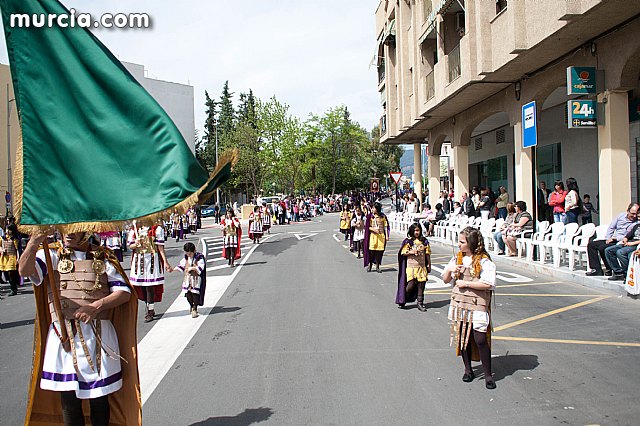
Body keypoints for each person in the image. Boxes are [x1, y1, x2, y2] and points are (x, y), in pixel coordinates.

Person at [19, 231, 140, 425]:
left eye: (74, 228)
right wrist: (34, 242)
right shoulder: (51, 255)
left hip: (97, 334)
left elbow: (124, 292)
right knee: (69, 400)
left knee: (99, 397)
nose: (68, 234)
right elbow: (24, 272)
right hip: (64, 336)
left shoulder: (103, 256)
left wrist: (96, 306)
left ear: (87, 230)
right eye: (65, 228)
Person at [443, 227, 497, 390]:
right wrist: (451, 270)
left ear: (471, 243)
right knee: (462, 338)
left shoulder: (483, 261)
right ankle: (468, 370)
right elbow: (446, 280)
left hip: (477, 303)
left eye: (462, 242)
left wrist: (466, 283)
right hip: (459, 303)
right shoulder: (456, 259)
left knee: (480, 339)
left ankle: (488, 375)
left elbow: (488, 284)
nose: (458, 244)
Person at [128, 223, 170, 322]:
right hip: (139, 261)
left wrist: (166, 262)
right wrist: (136, 244)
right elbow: (130, 246)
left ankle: (150, 310)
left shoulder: (156, 229)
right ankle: (149, 306)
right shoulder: (135, 229)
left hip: (152, 260)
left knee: (149, 286)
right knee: (141, 286)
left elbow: (160, 247)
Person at [586, 203, 639, 276]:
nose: (634, 216)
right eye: (632, 214)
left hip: (620, 241)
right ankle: (596, 269)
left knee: (603, 248)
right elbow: (611, 227)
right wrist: (608, 238)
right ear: (628, 211)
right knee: (592, 244)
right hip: (613, 239)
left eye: (636, 214)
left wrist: (615, 238)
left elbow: (628, 236)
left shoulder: (636, 223)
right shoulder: (621, 216)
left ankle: (610, 268)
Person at [396, 223, 431, 311]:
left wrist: (429, 264)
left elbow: (427, 254)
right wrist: (412, 252)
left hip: (421, 266)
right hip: (411, 267)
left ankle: (420, 303)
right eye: (415, 230)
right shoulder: (408, 241)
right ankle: (403, 299)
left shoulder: (424, 241)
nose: (416, 232)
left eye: (418, 230)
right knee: (411, 285)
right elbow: (403, 253)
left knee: (421, 285)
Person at [171, 242, 207, 318]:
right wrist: (173, 269)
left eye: (190, 254)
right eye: (187, 253)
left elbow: (201, 267)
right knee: (188, 294)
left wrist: (193, 268)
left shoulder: (199, 257)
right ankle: (191, 305)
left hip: (196, 279)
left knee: (195, 293)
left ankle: (195, 308)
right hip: (187, 278)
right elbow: (181, 266)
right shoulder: (186, 258)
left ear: (194, 251)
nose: (189, 255)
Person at [363, 202, 389, 273]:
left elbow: (386, 227)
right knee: (371, 251)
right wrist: (373, 229)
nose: (372, 209)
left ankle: (377, 266)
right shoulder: (370, 217)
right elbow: (367, 226)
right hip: (373, 236)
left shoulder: (383, 216)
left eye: (374, 208)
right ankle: (370, 265)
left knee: (379, 252)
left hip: (381, 236)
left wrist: (387, 236)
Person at [0, 225, 21, 296]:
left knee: (11, 273)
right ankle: (14, 286)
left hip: (12, 257)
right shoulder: (2, 238)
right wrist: (2, 250)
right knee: (7, 274)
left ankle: (13, 289)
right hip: (4, 258)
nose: (8, 231)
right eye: (7, 230)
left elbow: (18, 249)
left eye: (9, 230)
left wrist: (18, 258)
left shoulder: (15, 239)